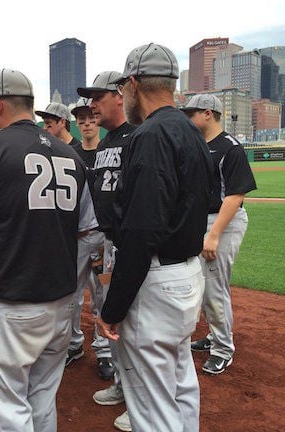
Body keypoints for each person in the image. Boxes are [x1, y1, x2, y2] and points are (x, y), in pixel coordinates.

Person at [0, 68, 97, 432]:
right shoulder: (70, 155)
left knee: (6, 405)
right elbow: (89, 233)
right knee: (42, 398)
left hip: (8, 303)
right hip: (59, 303)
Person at [95, 43, 214, 432]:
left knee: (152, 407)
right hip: (188, 276)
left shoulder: (149, 134)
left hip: (158, 280)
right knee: (180, 386)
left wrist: (113, 308)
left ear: (132, 84)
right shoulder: (192, 131)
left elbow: (141, 231)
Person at [77, 70, 137, 431]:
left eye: (99, 96)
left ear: (120, 95)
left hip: (127, 243)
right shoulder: (106, 142)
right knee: (108, 313)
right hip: (106, 242)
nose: (92, 104)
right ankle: (121, 384)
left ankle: (138, 401)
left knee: (128, 321)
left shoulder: (137, 136)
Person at [181, 93, 257, 374]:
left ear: (208, 114)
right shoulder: (199, 146)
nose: (188, 118)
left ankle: (223, 348)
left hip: (224, 221)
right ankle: (214, 336)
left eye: (192, 113)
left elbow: (235, 196)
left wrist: (213, 235)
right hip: (203, 220)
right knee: (201, 288)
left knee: (214, 287)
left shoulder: (230, 147)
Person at [64, 98, 112, 380]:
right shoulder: (70, 155)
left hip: (104, 239)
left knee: (102, 296)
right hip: (77, 238)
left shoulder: (109, 152)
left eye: (92, 117)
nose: (87, 123)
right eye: (81, 119)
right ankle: (73, 344)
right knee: (70, 296)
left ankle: (104, 351)